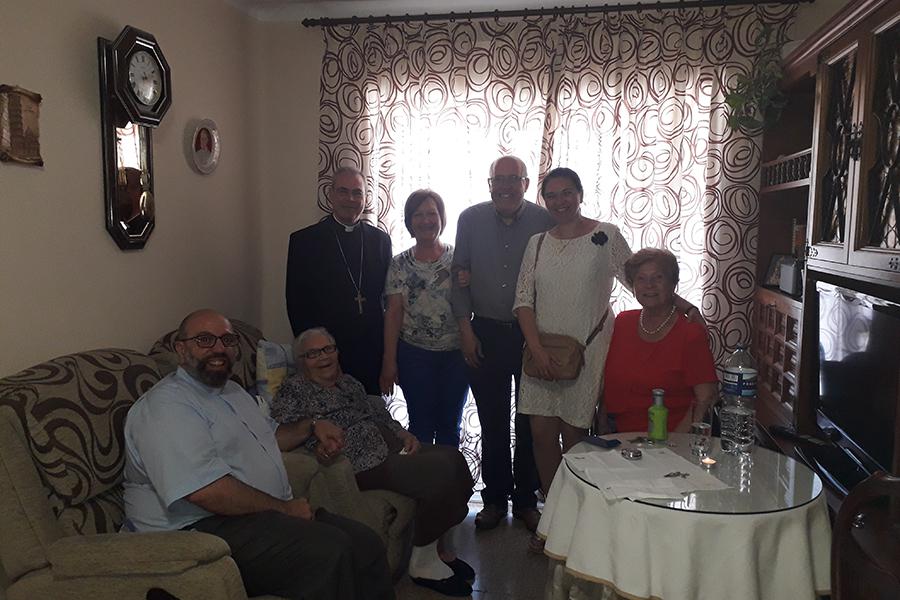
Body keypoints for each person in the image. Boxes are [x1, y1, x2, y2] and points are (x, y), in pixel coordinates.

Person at [122, 309, 394, 600]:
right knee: (329, 551)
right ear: (181, 348)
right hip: (198, 529)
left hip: (253, 517)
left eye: (227, 340)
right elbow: (204, 491)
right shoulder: (167, 406)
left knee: (366, 543)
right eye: (205, 340)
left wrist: (313, 426)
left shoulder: (233, 393)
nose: (219, 348)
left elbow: (273, 436)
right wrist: (284, 509)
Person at [513, 169, 703, 550]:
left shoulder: (605, 235)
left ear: (580, 194)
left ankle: (586, 520)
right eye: (551, 195)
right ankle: (555, 517)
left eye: (567, 192)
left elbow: (639, 279)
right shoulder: (536, 242)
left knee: (577, 437)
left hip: (589, 349)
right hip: (541, 352)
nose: (560, 201)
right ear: (544, 200)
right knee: (540, 435)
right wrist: (535, 348)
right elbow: (522, 300)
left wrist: (682, 307)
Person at [271, 328, 476, 597]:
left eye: (328, 349)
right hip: (361, 460)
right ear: (301, 361)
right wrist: (313, 428)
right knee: (440, 472)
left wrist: (402, 433)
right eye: (313, 354)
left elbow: (377, 413)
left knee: (454, 457)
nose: (323, 357)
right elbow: (278, 435)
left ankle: (434, 550)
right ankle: (423, 562)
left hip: (387, 446)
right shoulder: (293, 390)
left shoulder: (349, 383)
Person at [450, 155, 555, 533]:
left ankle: (526, 500)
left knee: (529, 419)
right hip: (486, 333)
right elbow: (457, 273)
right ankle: (494, 499)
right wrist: (465, 328)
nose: (506, 186)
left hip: (532, 335)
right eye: (500, 180)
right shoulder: (470, 219)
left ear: (527, 184)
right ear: (489, 183)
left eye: (514, 179)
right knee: (492, 419)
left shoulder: (545, 220)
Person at [286, 166, 392, 394]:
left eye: (357, 193)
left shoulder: (380, 241)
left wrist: (388, 356)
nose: (350, 199)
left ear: (365, 198)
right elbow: (296, 303)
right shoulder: (304, 241)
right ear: (331, 195)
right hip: (326, 354)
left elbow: (390, 299)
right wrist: (313, 355)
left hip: (371, 352)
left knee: (371, 419)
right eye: (343, 191)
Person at [379, 189, 468, 446]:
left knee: (450, 424)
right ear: (409, 221)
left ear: (441, 218)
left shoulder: (458, 259)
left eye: (432, 213)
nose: (426, 220)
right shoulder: (399, 264)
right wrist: (389, 360)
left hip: (456, 356)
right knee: (420, 424)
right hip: (414, 356)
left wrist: (471, 279)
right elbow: (393, 313)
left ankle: (449, 484)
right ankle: (423, 483)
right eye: (418, 215)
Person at [603, 248, 718, 433]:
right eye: (641, 278)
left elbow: (704, 400)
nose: (649, 285)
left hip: (668, 438)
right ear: (632, 286)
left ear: (673, 284)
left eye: (658, 278)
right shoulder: (623, 322)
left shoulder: (691, 333)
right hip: (617, 436)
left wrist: (676, 446)